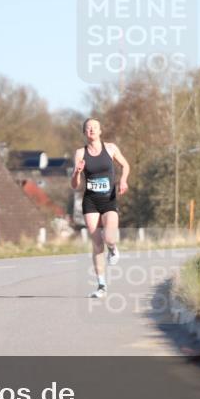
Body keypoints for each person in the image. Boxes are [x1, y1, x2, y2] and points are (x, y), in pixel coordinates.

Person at [71, 118, 130, 298]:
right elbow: (74, 185)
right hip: (91, 202)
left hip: (109, 199)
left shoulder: (111, 148)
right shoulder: (80, 153)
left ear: (100, 131)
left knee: (109, 237)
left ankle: (113, 248)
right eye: (88, 128)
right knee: (97, 243)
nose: (91, 130)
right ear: (84, 132)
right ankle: (101, 286)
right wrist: (77, 172)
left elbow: (125, 165)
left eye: (94, 127)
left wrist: (123, 180)